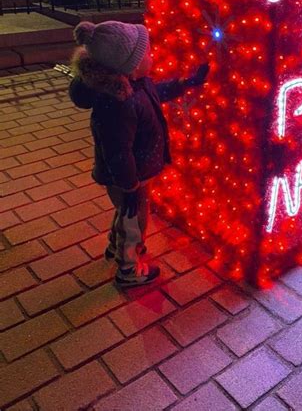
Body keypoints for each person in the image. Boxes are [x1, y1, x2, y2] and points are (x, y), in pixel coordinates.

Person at [69, 20, 208, 287]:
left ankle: (116, 247)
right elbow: (118, 151)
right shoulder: (118, 104)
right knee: (135, 220)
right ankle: (129, 269)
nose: (152, 56)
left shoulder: (136, 85)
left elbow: (158, 91)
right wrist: (130, 184)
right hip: (128, 177)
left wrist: (186, 82)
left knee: (126, 214)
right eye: (147, 53)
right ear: (130, 66)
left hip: (135, 174)